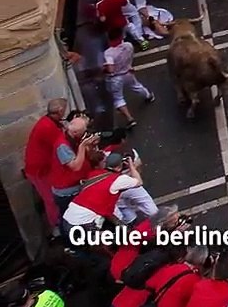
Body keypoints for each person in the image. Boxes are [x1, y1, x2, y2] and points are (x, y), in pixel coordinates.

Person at [61, 151, 145, 232]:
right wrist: (131, 166)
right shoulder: (117, 180)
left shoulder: (95, 174)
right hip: (83, 224)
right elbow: (139, 181)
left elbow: (105, 210)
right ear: (120, 166)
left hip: (67, 218)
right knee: (105, 243)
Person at [23, 98, 68, 231]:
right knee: (51, 199)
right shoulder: (48, 127)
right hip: (39, 170)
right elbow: (62, 146)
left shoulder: (48, 122)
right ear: (60, 111)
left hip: (44, 168)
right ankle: (58, 228)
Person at [102, 30, 155, 127]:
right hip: (127, 72)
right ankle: (148, 95)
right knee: (136, 86)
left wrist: (103, 69)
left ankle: (129, 118)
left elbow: (111, 69)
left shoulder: (108, 53)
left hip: (116, 78)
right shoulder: (128, 46)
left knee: (118, 98)